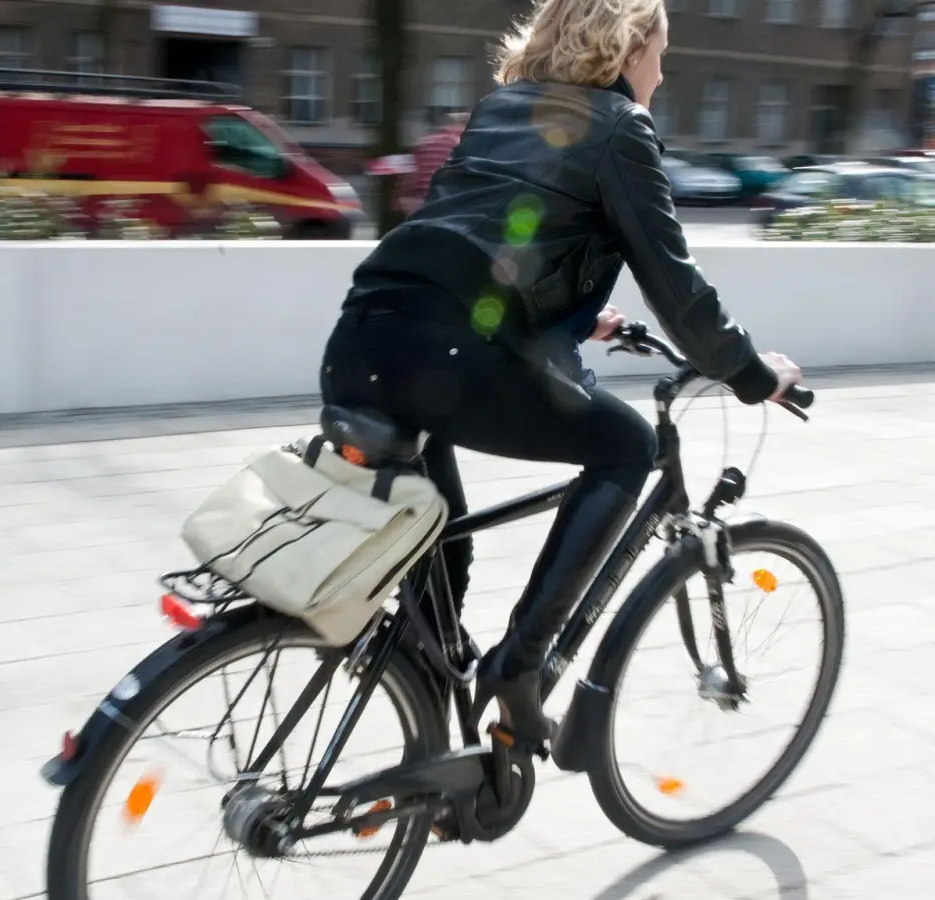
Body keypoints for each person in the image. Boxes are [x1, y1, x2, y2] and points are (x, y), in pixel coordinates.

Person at [320, 0, 803, 749]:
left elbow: (496, 242)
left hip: (363, 341)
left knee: (442, 544)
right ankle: (519, 665)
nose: (663, 72)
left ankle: (432, 729)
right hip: (448, 359)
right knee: (627, 447)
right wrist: (749, 371)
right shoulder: (620, 127)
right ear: (628, 46)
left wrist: (580, 319)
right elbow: (677, 289)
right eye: (660, 53)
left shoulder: (499, 108)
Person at [397, 111, 469, 216]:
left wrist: (404, 196)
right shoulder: (459, 143)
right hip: (447, 198)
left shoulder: (423, 142)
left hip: (419, 200)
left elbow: (412, 174)